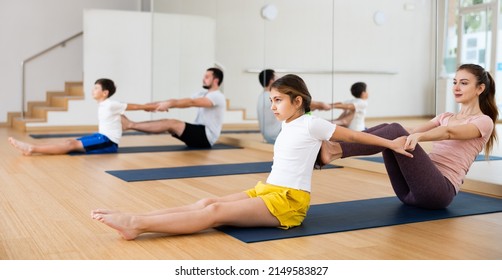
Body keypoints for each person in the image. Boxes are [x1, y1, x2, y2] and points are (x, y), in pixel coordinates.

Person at [91, 74, 412, 240]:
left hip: (289, 201)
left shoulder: (312, 123)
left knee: (214, 211)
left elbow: (355, 136)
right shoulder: (290, 125)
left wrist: (392, 144)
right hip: (269, 190)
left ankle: (136, 224)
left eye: (278, 100)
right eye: (271, 100)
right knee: (206, 202)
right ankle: (138, 216)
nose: (272, 106)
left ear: (297, 100)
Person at [319, 63, 498, 209]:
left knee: (394, 132)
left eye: (464, 83)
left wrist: (420, 137)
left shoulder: (484, 121)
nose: (456, 87)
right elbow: (411, 131)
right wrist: (408, 134)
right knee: (391, 131)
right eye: (454, 82)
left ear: (480, 88)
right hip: (409, 192)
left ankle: (335, 149)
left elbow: (449, 132)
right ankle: (334, 145)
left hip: (439, 191)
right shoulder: (446, 116)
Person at [8, 78, 157, 156]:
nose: (93, 90)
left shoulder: (111, 104)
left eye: (96, 88)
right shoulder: (104, 105)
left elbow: (136, 106)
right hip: (101, 137)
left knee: (70, 145)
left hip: (108, 143)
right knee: (70, 142)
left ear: (105, 93)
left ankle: (31, 148)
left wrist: (152, 107)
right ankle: (32, 148)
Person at [121, 68, 225, 148]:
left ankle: (130, 125)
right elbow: (180, 101)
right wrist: (152, 105)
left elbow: (190, 103)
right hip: (199, 131)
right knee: (168, 123)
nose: (203, 79)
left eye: (207, 77)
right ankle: (130, 124)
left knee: (171, 123)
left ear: (216, 80)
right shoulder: (202, 93)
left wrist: (170, 104)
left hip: (206, 136)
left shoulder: (217, 96)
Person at [257, 69, 333, 144]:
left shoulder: (262, 97)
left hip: (268, 137)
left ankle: (338, 122)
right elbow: (306, 103)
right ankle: (339, 122)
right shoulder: (273, 96)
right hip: (276, 136)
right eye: (277, 77)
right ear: (272, 81)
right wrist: (321, 105)